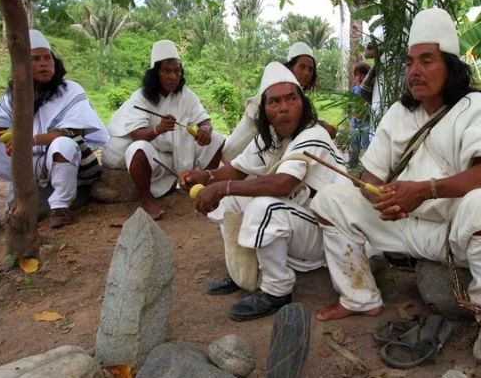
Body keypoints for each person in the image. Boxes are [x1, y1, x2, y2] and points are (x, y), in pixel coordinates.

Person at [312, 8, 481, 352]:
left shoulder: (477, 106)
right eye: (410, 63)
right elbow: (371, 176)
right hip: (406, 227)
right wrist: (382, 198)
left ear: (450, 65)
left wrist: (425, 191)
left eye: (426, 60)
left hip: (463, 232)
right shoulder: (399, 113)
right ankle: (360, 296)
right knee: (331, 198)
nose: (414, 71)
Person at [180, 61, 351, 321]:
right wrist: (204, 176)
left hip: (329, 234)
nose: (283, 108)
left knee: (265, 206)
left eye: (291, 99)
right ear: (265, 110)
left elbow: (283, 184)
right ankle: (243, 272)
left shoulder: (313, 134)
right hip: (300, 221)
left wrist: (221, 187)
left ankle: (277, 289)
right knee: (231, 201)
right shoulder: (269, 135)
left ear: (303, 104)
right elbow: (237, 170)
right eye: (274, 102)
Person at [0, 30, 109, 241]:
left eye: (48, 58)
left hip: (56, 159)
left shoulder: (70, 89)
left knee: (64, 143)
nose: (44, 63)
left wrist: (30, 141)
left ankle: (60, 207)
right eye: (35, 59)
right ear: (22, 66)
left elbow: (73, 131)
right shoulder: (14, 95)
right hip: (23, 162)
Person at [102, 40, 225, 220]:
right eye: (166, 71)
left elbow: (204, 120)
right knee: (137, 148)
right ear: (155, 74)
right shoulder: (140, 97)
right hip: (155, 158)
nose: (173, 76)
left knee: (217, 138)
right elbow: (136, 134)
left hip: (182, 152)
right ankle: (147, 199)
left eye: (177, 71)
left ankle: (203, 188)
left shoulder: (186, 94)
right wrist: (158, 129)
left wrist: (205, 130)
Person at [221, 41, 336, 163]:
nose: (307, 73)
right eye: (302, 67)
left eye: (310, 69)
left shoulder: (298, 98)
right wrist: (321, 126)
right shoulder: (269, 94)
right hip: (237, 160)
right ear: (290, 68)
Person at [349, 61, 371, 165]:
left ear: (368, 76)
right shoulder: (355, 89)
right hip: (355, 122)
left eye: (362, 74)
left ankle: (368, 164)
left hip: (366, 123)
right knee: (354, 143)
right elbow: (350, 104)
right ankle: (353, 162)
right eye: (356, 75)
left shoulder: (369, 91)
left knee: (365, 144)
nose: (359, 77)